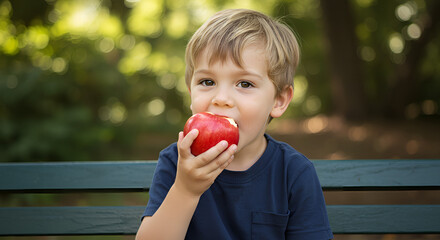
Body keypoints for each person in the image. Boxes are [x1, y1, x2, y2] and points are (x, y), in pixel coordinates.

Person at [136, 8, 333, 240]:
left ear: (278, 101)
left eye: (245, 84)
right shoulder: (176, 162)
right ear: (190, 92)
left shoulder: (293, 173)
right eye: (207, 81)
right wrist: (185, 190)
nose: (221, 98)